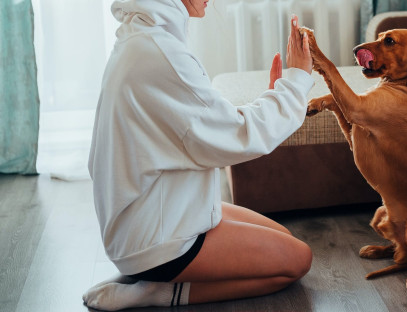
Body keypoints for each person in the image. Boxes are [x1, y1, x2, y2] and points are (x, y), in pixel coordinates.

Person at [82, 0, 314, 310]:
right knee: (297, 260)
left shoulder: (144, 38)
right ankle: (159, 290)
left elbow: (202, 125)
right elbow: (233, 136)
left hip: (152, 214)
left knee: (283, 239)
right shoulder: (158, 52)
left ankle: (151, 277)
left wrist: (274, 98)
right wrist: (297, 81)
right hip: (155, 239)